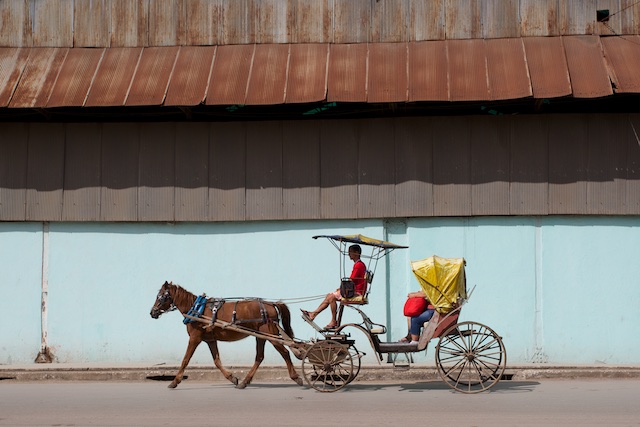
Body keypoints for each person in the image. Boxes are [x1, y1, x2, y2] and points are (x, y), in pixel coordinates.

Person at [302, 244, 367, 329]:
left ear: (356, 252)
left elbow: (352, 280)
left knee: (332, 297)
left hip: (356, 292)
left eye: (350, 252)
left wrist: (341, 288)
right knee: (329, 296)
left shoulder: (359, 265)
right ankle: (313, 314)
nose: (348, 254)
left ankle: (333, 321)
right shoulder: (359, 264)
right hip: (353, 290)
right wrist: (341, 288)